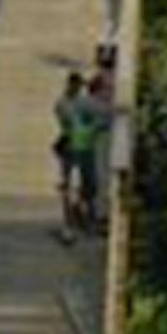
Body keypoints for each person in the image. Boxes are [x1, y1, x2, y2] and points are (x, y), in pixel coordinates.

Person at [53, 72, 106, 242]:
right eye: (75, 86)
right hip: (72, 148)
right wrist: (94, 125)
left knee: (88, 184)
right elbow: (71, 120)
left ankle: (86, 218)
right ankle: (72, 221)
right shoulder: (65, 103)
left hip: (83, 147)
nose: (77, 89)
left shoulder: (82, 102)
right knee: (70, 185)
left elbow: (100, 114)